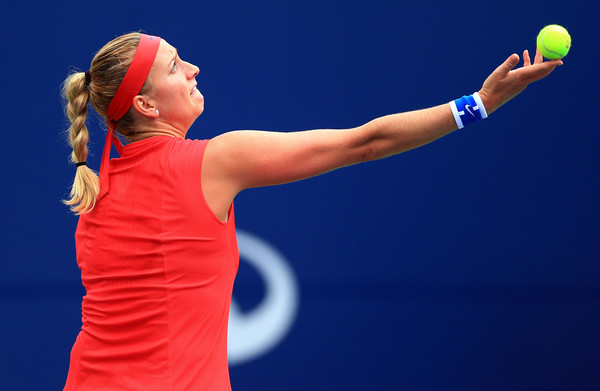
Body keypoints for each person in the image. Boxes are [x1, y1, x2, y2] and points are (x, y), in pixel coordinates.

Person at [61, 32, 562, 390]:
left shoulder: (94, 193)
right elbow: (364, 143)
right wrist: (478, 103)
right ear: (147, 107)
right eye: (173, 66)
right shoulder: (213, 161)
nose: (192, 68)